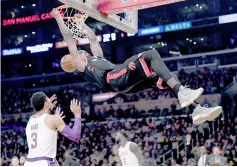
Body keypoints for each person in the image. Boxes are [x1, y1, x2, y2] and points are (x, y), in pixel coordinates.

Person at [51, 9, 222, 125]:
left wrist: (81, 23)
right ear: (74, 60)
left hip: (121, 82)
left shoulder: (96, 58)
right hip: (115, 78)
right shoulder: (82, 65)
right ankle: (184, 94)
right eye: (78, 52)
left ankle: (196, 110)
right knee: (151, 54)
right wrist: (59, 18)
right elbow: (68, 39)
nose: (81, 51)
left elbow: (93, 38)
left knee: (165, 79)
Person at [24, 92, 82, 166]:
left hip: (29, 163)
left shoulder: (30, 120)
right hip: (45, 162)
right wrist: (77, 114)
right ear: (45, 104)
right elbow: (75, 136)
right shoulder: (53, 119)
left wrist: (47, 105)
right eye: (48, 99)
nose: (50, 99)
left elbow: (43, 122)